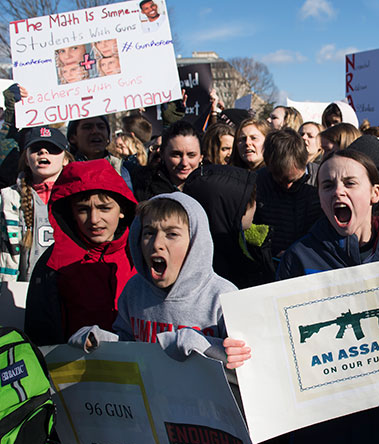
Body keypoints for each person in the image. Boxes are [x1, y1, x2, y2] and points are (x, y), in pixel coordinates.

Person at [225, 148, 379, 444]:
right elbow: (277, 343)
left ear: (375, 193)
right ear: (319, 197)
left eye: (350, 182)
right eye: (328, 185)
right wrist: (246, 351)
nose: (339, 191)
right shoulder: (298, 257)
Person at [68, 192, 237, 366]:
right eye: (149, 233)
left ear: (195, 242)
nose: (157, 244)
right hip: (152, 392)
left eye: (172, 234)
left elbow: (244, 363)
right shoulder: (134, 290)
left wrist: (204, 345)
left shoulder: (223, 295)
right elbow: (129, 344)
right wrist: (99, 341)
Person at [24, 159, 137, 346]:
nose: (94, 219)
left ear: (122, 209)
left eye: (104, 208)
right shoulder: (53, 263)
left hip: (139, 368)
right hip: (74, 370)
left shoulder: (141, 254)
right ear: (72, 213)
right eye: (83, 209)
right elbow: (40, 336)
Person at [184, 165, 275, 289]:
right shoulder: (220, 263)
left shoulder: (249, 244)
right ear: (235, 208)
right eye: (251, 201)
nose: (256, 205)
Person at [0, 127, 72, 281]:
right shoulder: (7, 199)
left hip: (69, 290)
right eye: (36, 148)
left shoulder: (78, 198)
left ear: (66, 159)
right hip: (20, 292)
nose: (43, 152)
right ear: (26, 159)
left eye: (53, 148)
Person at [254, 129, 322, 258]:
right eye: (279, 179)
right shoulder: (258, 182)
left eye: (292, 180)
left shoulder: (321, 181)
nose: (287, 186)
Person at [132, 121, 203, 201]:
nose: (184, 163)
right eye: (176, 155)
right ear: (162, 154)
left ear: (201, 157)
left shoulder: (210, 189)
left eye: (191, 155)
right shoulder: (142, 186)